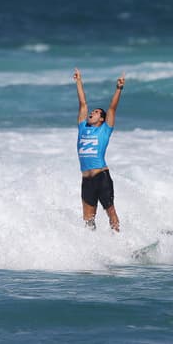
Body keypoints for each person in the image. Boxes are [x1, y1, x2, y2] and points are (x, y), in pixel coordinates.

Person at [73, 68, 125, 232]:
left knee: (110, 212)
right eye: (92, 112)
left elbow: (112, 109)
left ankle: (119, 241)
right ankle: (95, 248)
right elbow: (83, 103)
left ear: (102, 119)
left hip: (101, 177)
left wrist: (119, 89)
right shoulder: (82, 127)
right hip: (86, 180)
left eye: (96, 113)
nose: (92, 113)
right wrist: (79, 81)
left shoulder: (104, 130)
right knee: (88, 219)